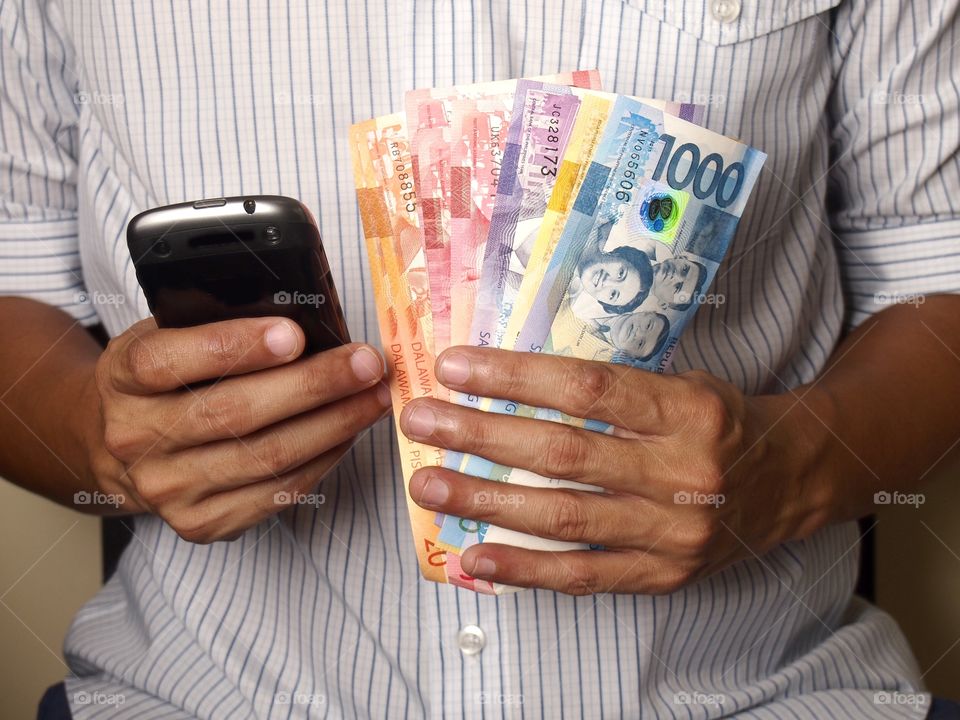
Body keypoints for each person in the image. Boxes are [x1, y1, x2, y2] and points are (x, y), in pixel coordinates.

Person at [2, 2, 960, 719]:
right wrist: (99, 441)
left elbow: (936, 270)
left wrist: (790, 469)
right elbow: (16, 285)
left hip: (765, 695)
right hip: (191, 695)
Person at [596, 310, 672, 363]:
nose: (638, 333)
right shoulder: (617, 300)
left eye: (640, 343)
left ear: (630, 356)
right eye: (648, 326)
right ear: (648, 312)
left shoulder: (599, 354)